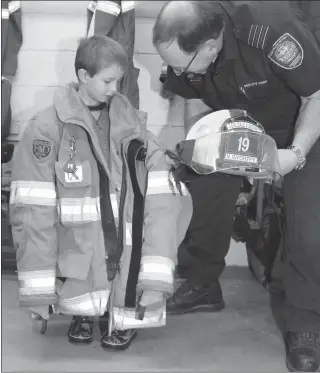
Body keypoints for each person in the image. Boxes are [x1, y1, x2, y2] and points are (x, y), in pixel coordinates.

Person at [152, 1, 320, 371]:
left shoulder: (270, 29)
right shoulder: (189, 44)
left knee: (306, 228)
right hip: (235, 124)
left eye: (179, 64)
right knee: (199, 185)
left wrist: (294, 155)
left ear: (210, 46)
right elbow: (192, 96)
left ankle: (303, 325)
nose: (174, 71)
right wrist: (198, 147)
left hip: (298, 129)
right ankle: (202, 283)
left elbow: (318, 97)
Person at [10, 35, 192, 350]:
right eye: (107, 81)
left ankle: (123, 319)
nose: (114, 90)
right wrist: (37, 294)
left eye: (119, 82)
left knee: (127, 266)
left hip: (122, 236)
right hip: (78, 242)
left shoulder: (132, 124)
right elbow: (32, 210)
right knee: (82, 266)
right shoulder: (46, 128)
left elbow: (162, 202)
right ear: (83, 76)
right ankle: (82, 313)